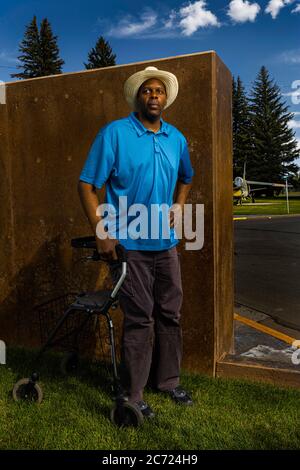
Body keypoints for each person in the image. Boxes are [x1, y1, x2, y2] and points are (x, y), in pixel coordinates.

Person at [78, 66, 194, 419]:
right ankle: (134, 393)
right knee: (140, 317)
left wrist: (179, 204)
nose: (154, 96)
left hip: (166, 243)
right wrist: (102, 233)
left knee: (170, 314)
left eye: (159, 91)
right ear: (138, 97)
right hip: (128, 243)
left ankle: (168, 382)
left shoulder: (176, 138)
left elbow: (186, 176)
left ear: (165, 98)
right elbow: (86, 186)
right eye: (147, 91)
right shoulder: (115, 134)